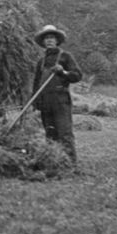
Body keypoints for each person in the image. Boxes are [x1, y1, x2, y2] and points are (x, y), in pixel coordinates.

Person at [31, 24, 82, 164]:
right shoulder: (41, 62)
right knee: (50, 133)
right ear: (43, 41)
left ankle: (70, 163)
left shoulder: (65, 57)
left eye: (52, 37)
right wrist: (35, 102)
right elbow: (36, 84)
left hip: (60, 100)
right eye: (46, 38)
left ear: (57, 40)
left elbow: (77, 76)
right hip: (45, 102)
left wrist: (63, 72)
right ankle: (53, 161)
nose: (49, 40)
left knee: (64, 132)